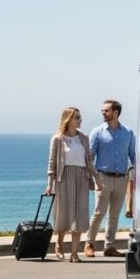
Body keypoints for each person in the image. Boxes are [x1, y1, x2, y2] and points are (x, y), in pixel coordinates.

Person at [45, 108, 102, 262]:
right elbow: (52, 163)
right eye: (77, 117)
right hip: (63, 179)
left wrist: (97, 180)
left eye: (80, 117)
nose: (80, 120)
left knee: (79, 215)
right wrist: (49, 184)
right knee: (63, 214)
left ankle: (75, 253)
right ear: (68, 119)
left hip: (82, 178)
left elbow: (90, 162)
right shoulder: (58, 139)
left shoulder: (84, 138)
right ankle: (59, 243)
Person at [85, 99, 135, 258]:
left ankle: (109, 246)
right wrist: (93, 179)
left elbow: (133, 156)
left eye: (106, 110)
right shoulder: (97, 132)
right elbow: (90, 158)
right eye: (102, 110)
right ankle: (89, 243)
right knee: (99, 212)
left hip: (121, 179)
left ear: (116, 112)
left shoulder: (128, 132)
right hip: (103, 178)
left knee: (114, 215)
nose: (103, 113)